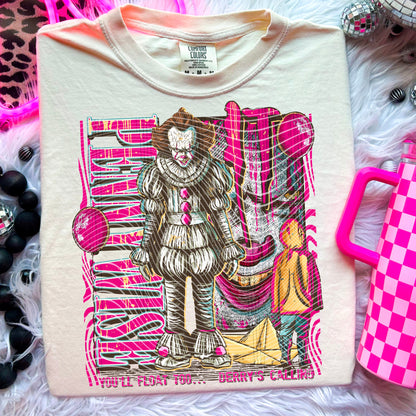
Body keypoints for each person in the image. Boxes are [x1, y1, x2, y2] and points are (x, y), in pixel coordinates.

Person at [130, 107, 245, 370]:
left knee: (204, 296)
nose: (183, 156)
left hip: (203, 241)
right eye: (177, 150)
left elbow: (218, 210)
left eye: (188, 149)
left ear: (197, 144)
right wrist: (146, 248)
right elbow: (153, 215)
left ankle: (208, 348)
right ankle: (175, 349)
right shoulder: (157, 171)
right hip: (170, 243)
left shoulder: (209, 170)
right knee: (173, 297)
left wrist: (228, 244)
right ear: (167, 146)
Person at [271, 218, 323, 368]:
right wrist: (316, 303)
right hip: (303, 306)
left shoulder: (280, 259)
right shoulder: (306, 257)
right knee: (302, 334)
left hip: (286, 308)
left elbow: (276, 286)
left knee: (285, 334)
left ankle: (286, 360)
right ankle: (303, 360)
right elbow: (314, 282)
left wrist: (275, 307)